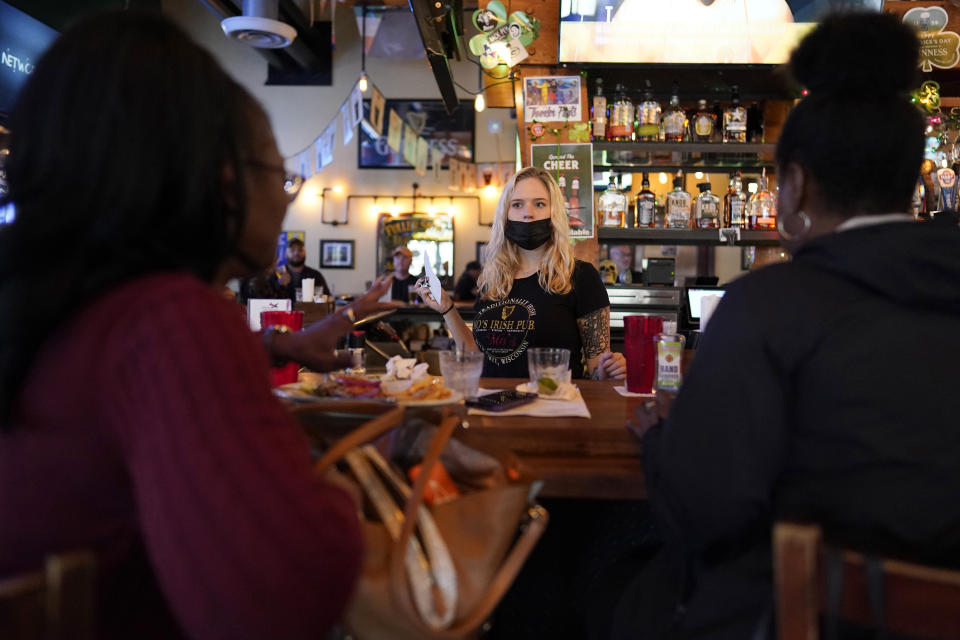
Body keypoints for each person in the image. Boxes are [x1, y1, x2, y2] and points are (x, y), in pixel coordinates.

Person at [0, 11, 392, 639]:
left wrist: (274, 348)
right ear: (227, 184)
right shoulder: (172, 319)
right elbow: (289, 593)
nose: (290, 199)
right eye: (283, 176)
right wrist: (357, 477)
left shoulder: (57, 303)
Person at [606, 13, 960, 639]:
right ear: (911, 180)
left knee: (603, 580)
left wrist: (661, 438)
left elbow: (706, 509)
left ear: (794, 186)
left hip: (795, 620)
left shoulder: (768, 307)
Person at [417, 166, 626, 380]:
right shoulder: (493, 278)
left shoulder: (580, 276)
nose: (528, 213)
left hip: (552, 406)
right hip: (493, 407)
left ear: (554, 213)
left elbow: (598, 370)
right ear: (506, 215)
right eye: (517, 204)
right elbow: (476, 357)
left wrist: (610, 370)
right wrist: (447, 308)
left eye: (539, 204)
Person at [280, 236, 329, 302]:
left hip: (309, 312)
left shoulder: (315, 275)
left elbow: (327, 297)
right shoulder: (278, 274)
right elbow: (267, 300)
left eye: (300, 250)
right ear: (285, 253)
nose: (296, 253)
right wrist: (280, 286)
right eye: (292, 250)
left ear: (305, 252)